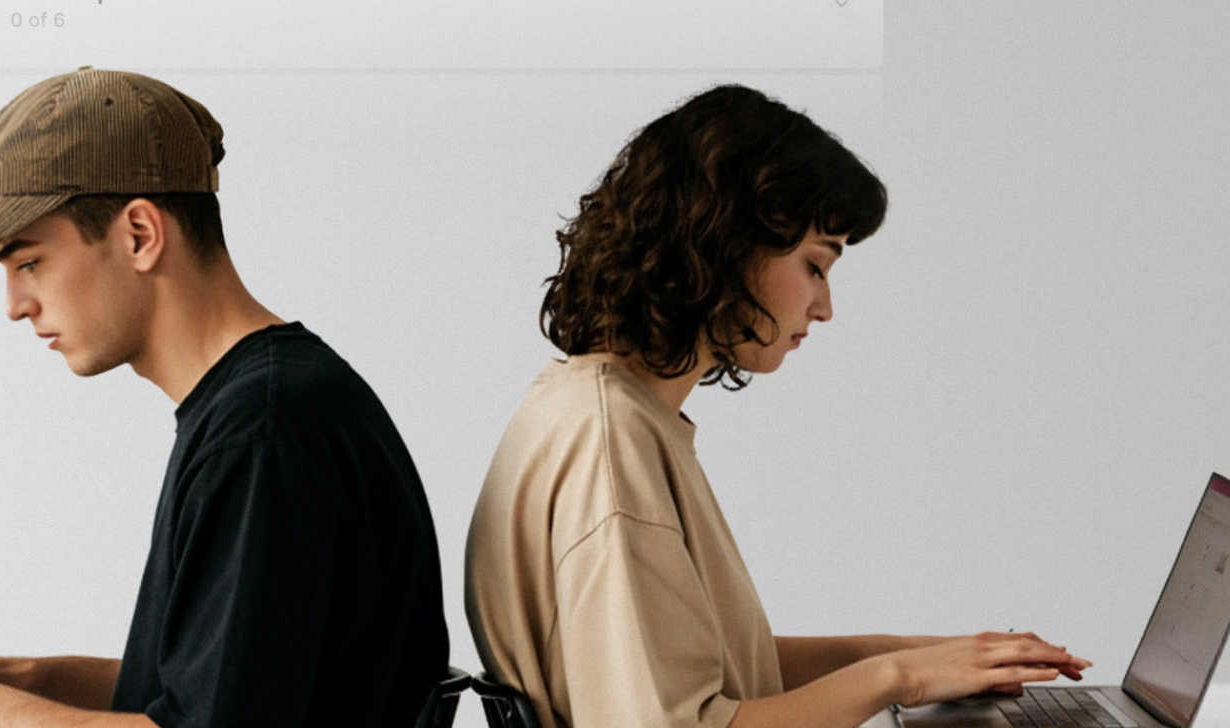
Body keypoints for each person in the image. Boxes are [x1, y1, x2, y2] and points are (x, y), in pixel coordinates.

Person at [0, 67, 450, 728]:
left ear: (139, 235)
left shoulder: (265, 432)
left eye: (28, 261)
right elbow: (214, 688)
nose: (13, 305)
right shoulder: (271, 402)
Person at [464, 85, 1092, 728]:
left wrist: (927, 658)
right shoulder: (608, 444)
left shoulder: (597, 410)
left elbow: (731, 670)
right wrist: (898, 678)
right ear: (726, 246)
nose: (824, 307)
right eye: (816, 266)